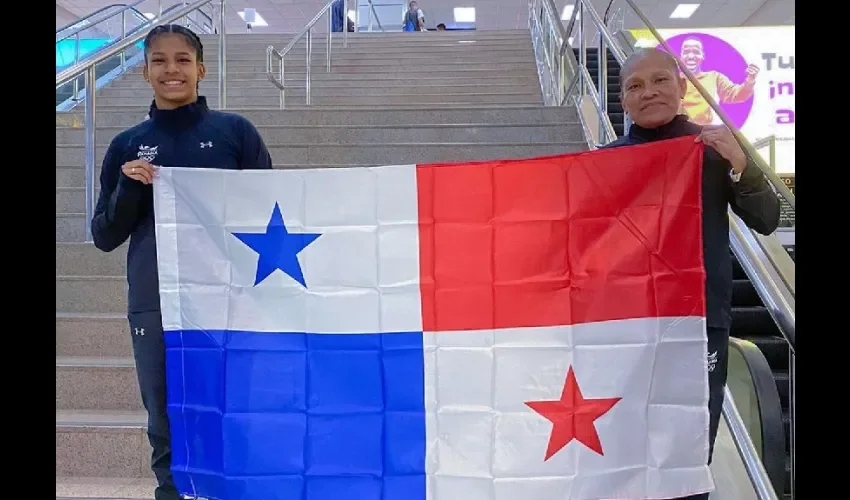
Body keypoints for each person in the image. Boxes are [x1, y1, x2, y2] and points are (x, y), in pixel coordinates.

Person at [90, 24, 273, 500]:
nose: (172, 69)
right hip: (155, 300)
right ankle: (172, 493)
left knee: (232, 405)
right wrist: (130, 186)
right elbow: (104, 236)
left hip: (228, 297)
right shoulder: (127, 145)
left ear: (201, 69)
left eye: (182, 60)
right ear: (145, 73)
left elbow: (271, 213)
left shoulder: (235, 133)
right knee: (165, 413)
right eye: (159, 61)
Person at [601, 48, 780, 500]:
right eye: (635, 87)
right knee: (624, 432)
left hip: (700, 320)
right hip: (626, 322)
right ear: (623, 100)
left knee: (692, 435)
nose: (649, 93)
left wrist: (742, 165)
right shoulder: (603, 162)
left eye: (660, 81)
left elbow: (768, 218)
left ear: (682, 87)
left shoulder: (716, 148)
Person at [678, 37, 759, 125]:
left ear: (703, 56)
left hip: (706, 133)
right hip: (679, 134)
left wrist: (750, 80)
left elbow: (737, 95)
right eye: (686, 52)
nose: (690, 56)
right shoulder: (673, 80)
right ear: (680, 56)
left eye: (696, 52)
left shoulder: (714, 77)